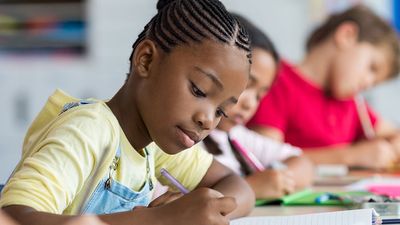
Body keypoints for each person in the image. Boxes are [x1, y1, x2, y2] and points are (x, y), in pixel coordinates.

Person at [0, 1, 255, 225]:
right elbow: (13, 217)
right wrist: (160, 219)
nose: (208, 120)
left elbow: (237, 185)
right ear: (146, 60)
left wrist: (206, 210)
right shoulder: (89, 131)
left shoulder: (152, 146)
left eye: (221, 110)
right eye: (199, 90)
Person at [248, 5, 400, 170]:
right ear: (347, 35)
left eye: (375, 82)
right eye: (372, 68)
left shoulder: (350, 103)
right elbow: (265, 159)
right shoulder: (276, 79)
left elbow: (391, 133)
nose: (368, 84)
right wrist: (352, 156)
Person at [201, 14, 313, 199]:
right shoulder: (188, 141)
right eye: (246, 86)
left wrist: (277, 178)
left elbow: (304, 164)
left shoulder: (235, 136)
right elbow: (188, 202)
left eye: (260, 95)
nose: (250, 103)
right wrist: (251, 188)